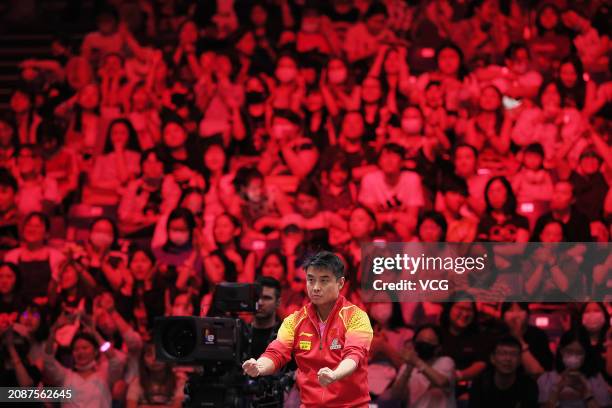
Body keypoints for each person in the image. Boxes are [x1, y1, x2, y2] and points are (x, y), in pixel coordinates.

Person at [242, 251, 373, 407]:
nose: (316, 287)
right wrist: (259, 366)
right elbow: (276, 352)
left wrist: (335, 374)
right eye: (311, 280)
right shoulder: (294, 320)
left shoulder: (356, 317)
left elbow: (354, 356)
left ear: (340, 283)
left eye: (324, 281)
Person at [538, 327, 610, 407]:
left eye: (579, 353)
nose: (573, 357)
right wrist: (557, 389)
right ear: (561, 350)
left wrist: (587, 394)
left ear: (586, 354)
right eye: (569, 351)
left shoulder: (595, 379)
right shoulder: (547, 379)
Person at [389, 324, 456, 408]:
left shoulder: (446, 362)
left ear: (438, 348)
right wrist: (408, 370)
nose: (423, 345)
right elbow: (396, 395)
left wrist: (416, 361)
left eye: (428, 343)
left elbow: (441, 382)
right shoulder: (408, 366)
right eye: (420, 342)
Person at [468, 336, 538, 408]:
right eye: (503, 353)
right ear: (492, 359)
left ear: (520, 360)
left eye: (513, 354)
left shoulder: (528, 386)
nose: (508, 359)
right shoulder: (480, 384)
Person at [250, 276, 282, 359]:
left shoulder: (287, 336)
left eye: (266, 298)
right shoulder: (242, 332)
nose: (260, 302)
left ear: (278, 303)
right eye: (257, 297)